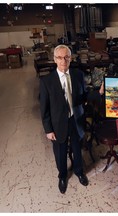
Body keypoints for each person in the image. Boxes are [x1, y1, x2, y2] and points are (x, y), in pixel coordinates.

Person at [39, 44, 89, 194]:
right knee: (60, 151)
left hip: (75, 119)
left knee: (76, 148)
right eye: (60, 57)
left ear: (71, 58)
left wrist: (97, 93)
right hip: (57, 123)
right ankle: (62, 176)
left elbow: (83, 96)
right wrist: (48, 129)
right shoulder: (46, 81)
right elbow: (44, 108)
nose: (63, 61)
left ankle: (79, 171)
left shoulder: (78, 75)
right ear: (55, 59)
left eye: (66, 57)